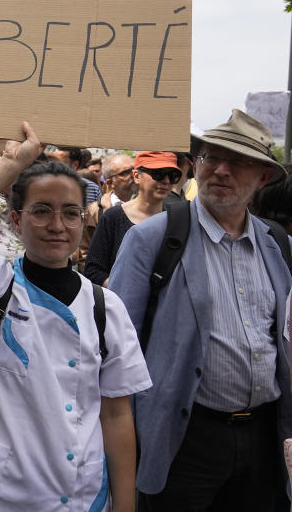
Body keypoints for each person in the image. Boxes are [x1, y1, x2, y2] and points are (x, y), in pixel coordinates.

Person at [0, 125, 150, 511]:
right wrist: (14, 163)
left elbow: (117, 414)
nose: (57, 225)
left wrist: (125, 505)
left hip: (79, 492)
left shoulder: (106, 308)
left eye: (70, 213)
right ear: (15, 219)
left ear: (83, 219)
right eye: (41, 211)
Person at [110, 109, 292, 511]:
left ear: (263, 177)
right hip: (184, 437)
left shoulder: (277, 244)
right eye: (212, 157)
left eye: (239, 162)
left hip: (263, 436)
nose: (221, 170)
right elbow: (117, 350)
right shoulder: (152, 239)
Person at [84, 151, 178, 286]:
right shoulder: (113, 217)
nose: (166, 181)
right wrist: (125, 288)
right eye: (158, 174)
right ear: (137, 176)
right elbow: (92, 270)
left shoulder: (176, 220)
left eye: (173, 176)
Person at [76, 153, 136, 272]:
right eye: (125, 173)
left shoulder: (150, 207)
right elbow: (85, 253)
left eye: (134, 169)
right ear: (109, 183)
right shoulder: (94, 211)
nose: (133, 175)